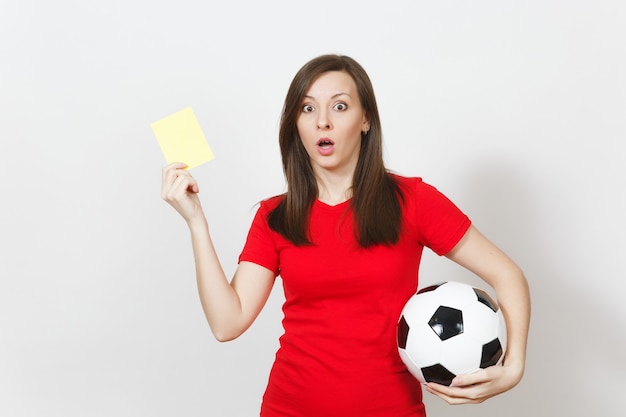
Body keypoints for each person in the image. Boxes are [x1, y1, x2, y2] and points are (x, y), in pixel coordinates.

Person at [161, 54, 530, 417]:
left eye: (339, 106)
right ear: (295, 124)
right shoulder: (275, 216)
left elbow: (507, 275)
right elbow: (227, 323)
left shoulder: (413, 201)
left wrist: (513, 367)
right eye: (307, 109)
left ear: (365, 119)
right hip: (288, 408)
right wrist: (196, 222)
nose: (323, 121)